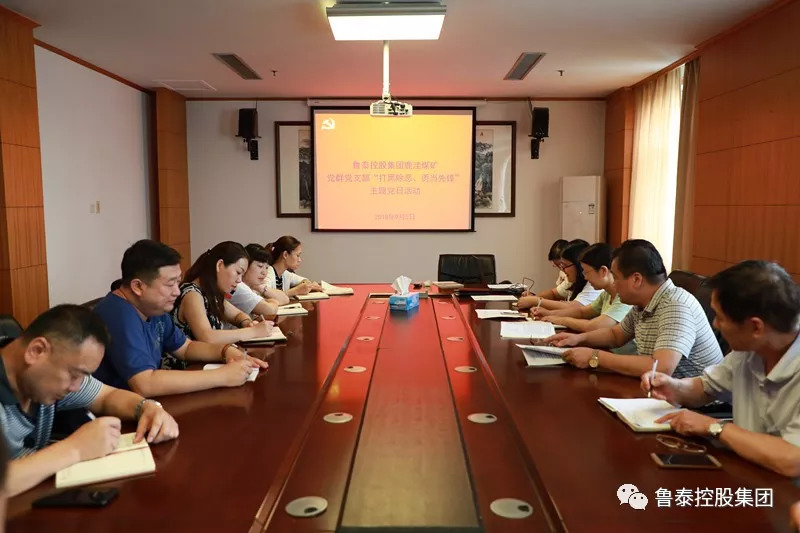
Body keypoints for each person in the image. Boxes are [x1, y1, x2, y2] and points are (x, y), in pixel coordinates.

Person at [0, 305, 179, 497]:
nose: (76, 387)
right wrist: (75, 448)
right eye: (74, 375)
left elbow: (107, 396)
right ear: (36, 351)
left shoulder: (44, 374)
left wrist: (148, 408)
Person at [643, 260, 800, 478]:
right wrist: (673, 386)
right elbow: (706, 388)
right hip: (748, 473)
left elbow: (792, 460)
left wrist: (715, 427)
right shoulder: (748, 350)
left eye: (720, 317)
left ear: (756, 327)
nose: (715, 324)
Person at [93, 240, 266, 397]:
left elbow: (185, 347)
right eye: (170, 284)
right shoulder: (118, 314)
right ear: (138, 286)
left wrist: (225, 351)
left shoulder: (153, 309)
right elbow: (145, 383)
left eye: (178, 282)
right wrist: (222, 376)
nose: (177, 291)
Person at [548, 239, 723, 378]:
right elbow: (616, 335)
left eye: (616, 278)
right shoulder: (643, 303)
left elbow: (661, 368)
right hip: (659, 394)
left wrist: (595, 357)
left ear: (636, 280)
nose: (614, 284)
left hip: (698, 407)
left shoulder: (675, 305)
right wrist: (578, 339)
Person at [171, 241, 275, 345]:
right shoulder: (192, 294)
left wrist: (247, 323)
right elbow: (207, 337)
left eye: (242, 275)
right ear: (220, 265)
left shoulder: (211, 293)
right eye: (238, 272)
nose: (239, 280)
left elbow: (237, 315)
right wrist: (253, 331)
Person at [533, 243, 634, 341]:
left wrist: (561, 319)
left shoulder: (624, 299)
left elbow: (594, 326)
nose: (585, 277)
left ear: (603, 271)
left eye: (587, 272)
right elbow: (582, 312)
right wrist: (549, 314)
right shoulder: (606, 294)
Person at [518, 240, 602, 310]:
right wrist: (532, 299)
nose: (562, 270)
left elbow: (574, 308)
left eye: (565, 266)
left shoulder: (592, 284)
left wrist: (536, 301)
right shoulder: (573, 280)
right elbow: (554, 293)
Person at [229, 244, 289, 318]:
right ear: (246, 265)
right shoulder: (238, 287)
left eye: (266, 268)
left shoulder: (253, 285)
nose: (264, 272)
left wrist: (261, 288)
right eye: (260, 266)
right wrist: (273, 301)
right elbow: (269, 310)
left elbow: (285, 299)